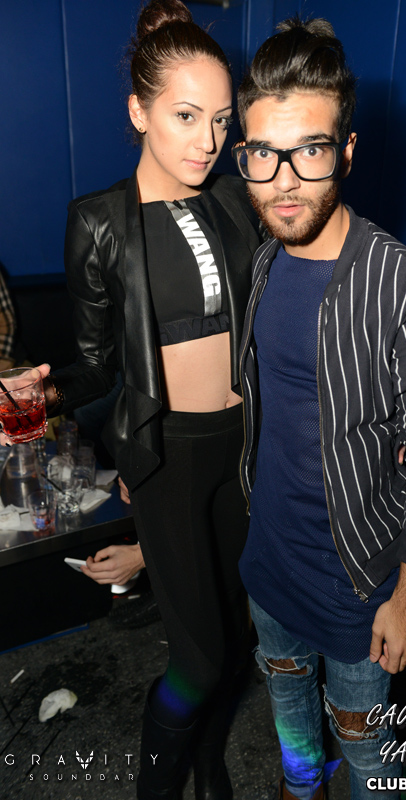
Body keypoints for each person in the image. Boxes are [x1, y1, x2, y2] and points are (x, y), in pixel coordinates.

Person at [0, 2, 263, 798]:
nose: (207, 139)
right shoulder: (99, 221)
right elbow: (95, 367)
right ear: (138, 111)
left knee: (237, 638)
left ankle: (209, 766)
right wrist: (43, 391)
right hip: (167, 457)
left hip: (246, 448)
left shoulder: (236, 203)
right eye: (186, 115)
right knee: (200, 660)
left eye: (221, 119)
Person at [233, 17, 406, 800]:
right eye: (263, 154)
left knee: (367, 759)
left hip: (359, 585)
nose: (284, 180)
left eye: (311, 150)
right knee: (291, 719)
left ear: (348, 150)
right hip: (270, 568)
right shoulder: (263, 262)